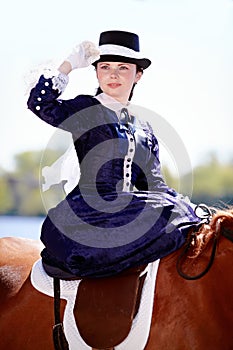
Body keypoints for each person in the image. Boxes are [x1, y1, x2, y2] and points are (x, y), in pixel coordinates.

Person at [27, 30, 201, 279]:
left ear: (138, 75)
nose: (113, 74)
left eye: (123, 68)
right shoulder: (88, 109)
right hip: (87, 213)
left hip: (130, 214)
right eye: (105, 67)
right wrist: (68, 65)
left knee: (177, 210)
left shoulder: (144, 127)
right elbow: (40, 104)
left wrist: (187, 208)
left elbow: (154, 185)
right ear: (96, 72)